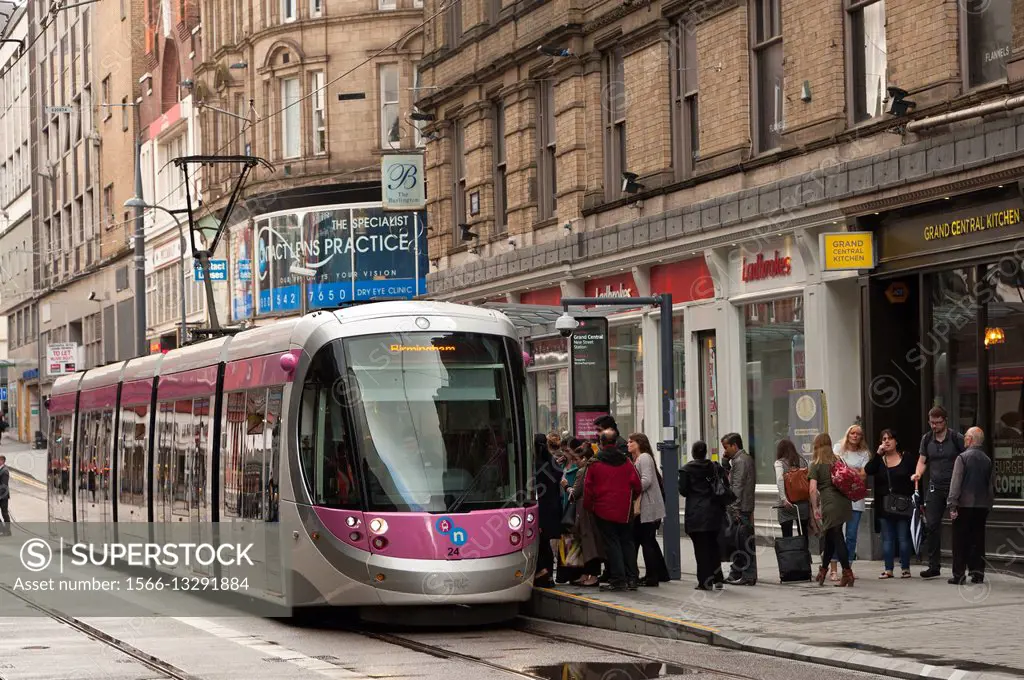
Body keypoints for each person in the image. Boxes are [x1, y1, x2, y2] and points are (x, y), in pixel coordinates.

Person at [583, 428, 642, 591]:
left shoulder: (594, 463)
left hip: (602, 510)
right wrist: (631, 499)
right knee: (627, 542)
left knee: (612, 543)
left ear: (601, 443)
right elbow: (637, 485)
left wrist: (589, 507)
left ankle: (618, 579)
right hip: (624, 510)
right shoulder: (626, 461)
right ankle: (632, 578)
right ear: (616, 443)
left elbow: (588, 488)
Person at [912, 406, 966, 579]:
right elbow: (922, 460)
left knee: (959, 526)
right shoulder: (927, 439)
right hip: (935, 487)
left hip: (954, 488)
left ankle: (961, 568)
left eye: (938, 422)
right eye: (932, 422)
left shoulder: (956, 438)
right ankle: (933, 565)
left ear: (945, 421)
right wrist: (918, 473)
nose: (934, 426)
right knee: (931, 525)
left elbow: (966, 459)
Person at [865, 429, 917, 579]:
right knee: (887, 539)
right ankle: (888, 569)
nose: (886, 441)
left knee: (903, 537)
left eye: (890, 438)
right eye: (883, 439)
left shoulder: (906, 458)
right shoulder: (880, 461)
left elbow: (916, 477)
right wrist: (877, 454)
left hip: (903, 505)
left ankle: (905, 568)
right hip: (885, 505)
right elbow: (869, 470)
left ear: (896, 441)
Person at [947, 427, 995, 585]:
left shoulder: (962, 458)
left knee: (960, 541)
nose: (964, 439)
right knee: (978, 540)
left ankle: (959, 575)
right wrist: (988, 504)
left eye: (966, 437)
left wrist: (952, 505)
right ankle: (978, 573)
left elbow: (956, 483)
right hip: (981, 506)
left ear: (970, 439)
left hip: (964, 505)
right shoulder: (987, 460)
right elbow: (990, 486)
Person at [680, 440, 727, 590]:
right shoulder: (715, 467)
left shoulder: (686, 470)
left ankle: (705, 581)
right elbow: (725, 485)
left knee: (701, 549)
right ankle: (718, 578)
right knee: (713, 545)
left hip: (696, 513)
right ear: (705, 452)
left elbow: (683, 491)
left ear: (693, 453)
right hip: (714, 512)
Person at [809, 433, 854, 587]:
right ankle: (823, 571)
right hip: (844, 502)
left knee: (837, 538)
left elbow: (813, 490)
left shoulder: (816, 463)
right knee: (831, 537)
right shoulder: (838, 459)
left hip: (830, 504)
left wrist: (815, 508)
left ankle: (847, 573)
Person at [627, 432, 670, 587]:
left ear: (639, 443)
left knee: (646, 542)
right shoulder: (638, 459)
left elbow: (646, 480)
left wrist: (630, 488)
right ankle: (654, 574)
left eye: (631, 441)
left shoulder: (644, 457)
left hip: (647, 507)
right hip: (644, 507)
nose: (628, 444)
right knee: (646, 541)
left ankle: (652, 577)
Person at [830, 424, 869, 581]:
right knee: (836, 533)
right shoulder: (838, 448)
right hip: (839, 497)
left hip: (856, 498)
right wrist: (854, 472)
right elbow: (835, 470)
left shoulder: (864, 453)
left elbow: (863, 476)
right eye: (852, 433)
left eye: (858, 434)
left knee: (851, 535)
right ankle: (833, 568)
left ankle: (848, 568)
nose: (855, 436)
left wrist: (847, 472)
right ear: (848, 434)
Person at [721, 432, 756, 585]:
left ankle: (748, 575)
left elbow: (737, 486)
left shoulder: (741, 461)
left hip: (741, 509)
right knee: (737, 543)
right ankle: (737, 571)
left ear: (735, 446)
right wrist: (725, 463)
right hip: (743, 507)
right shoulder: (740, 459)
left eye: (726, 447)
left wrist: (734, 509)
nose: (725, 450)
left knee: (743, 543)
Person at [568, 442, 604, 586]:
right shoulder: (596, 468)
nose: (575, 462)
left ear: (584, 458)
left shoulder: (582, 471)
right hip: (593, 510)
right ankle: (587, 574)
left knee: (588, 543)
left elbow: (575, 493)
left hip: (584, 511)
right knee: (589, 543)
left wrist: (566, 486)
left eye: (577, 459)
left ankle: (592, 575)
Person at [533, 433, 564, 587]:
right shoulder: (551, 461)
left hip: (542, 509)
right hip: (553, 507)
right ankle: (549, 575)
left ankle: (543, 572)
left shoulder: (537, 465)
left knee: (541, 543)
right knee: (545, 542)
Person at [773, 438, 809, 537]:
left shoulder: (779, 463)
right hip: (803, 503)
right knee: (803, 533)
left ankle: (789, 552)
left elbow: (780, 479)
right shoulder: (803, 460)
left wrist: (784, 499)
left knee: (787, 534)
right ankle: (803, 551)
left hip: (786, 504)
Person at [0, 455, 10, 536]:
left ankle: (7, 531)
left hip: (3, 496)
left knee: (4, 513)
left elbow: (4, 486)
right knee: (4, 513)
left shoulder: (5, 471)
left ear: (2, 461)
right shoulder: (1, 469)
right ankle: (3, 530)